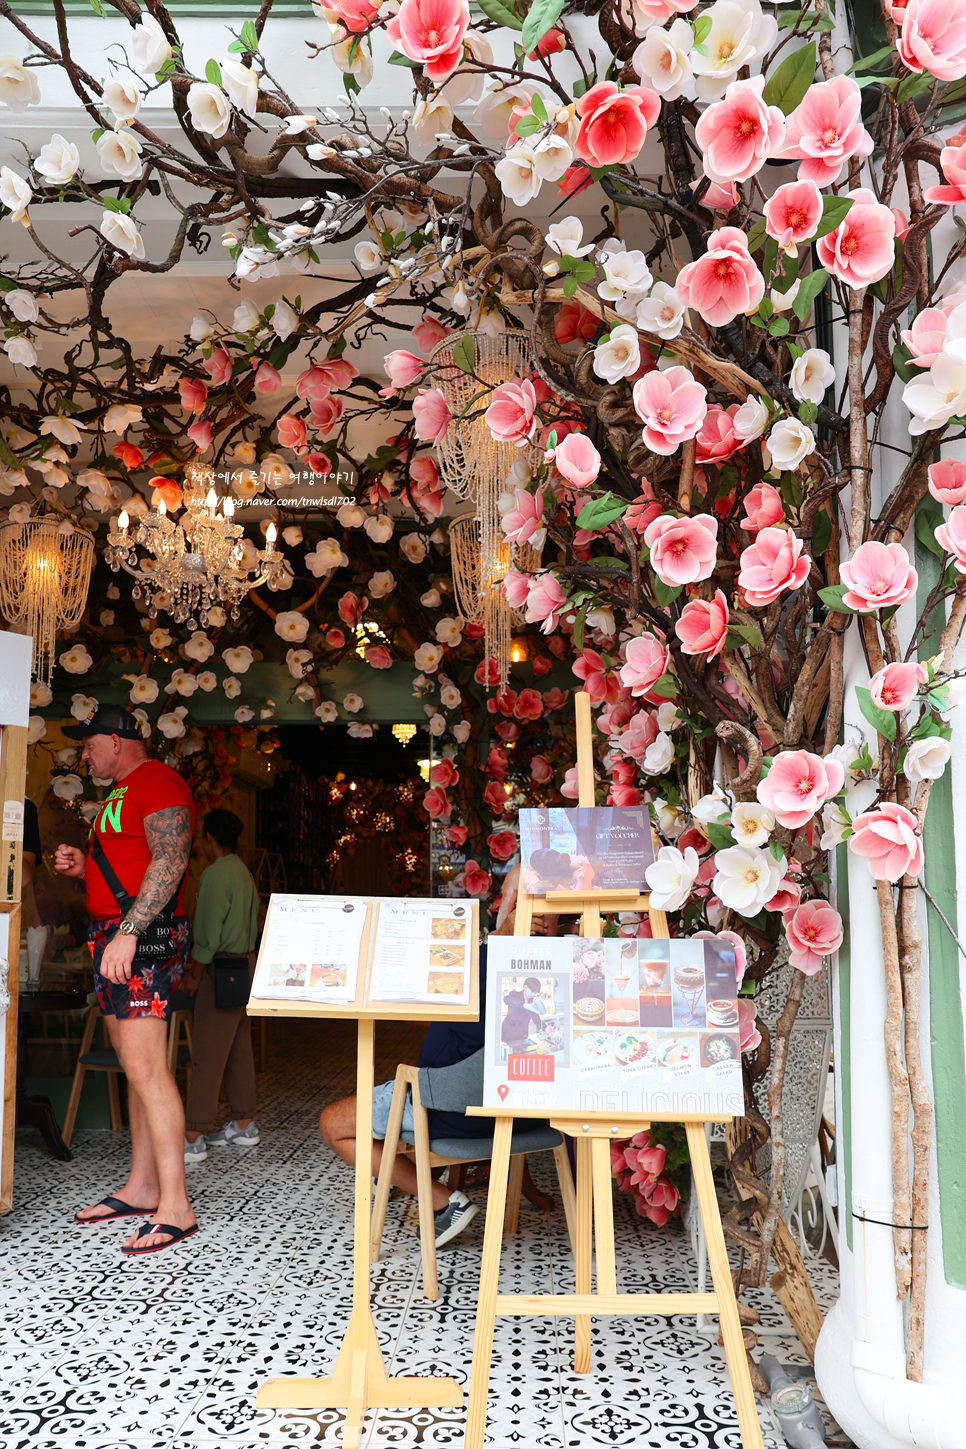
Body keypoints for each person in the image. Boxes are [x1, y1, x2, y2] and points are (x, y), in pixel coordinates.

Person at [318, 870, 558, 1248]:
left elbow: (414, 992)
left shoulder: (479, 962)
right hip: (529, 1114)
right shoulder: (574, 965)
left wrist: (494, 939)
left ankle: (443, 1202)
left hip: (449, 1112)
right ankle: (409, 1175)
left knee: (334, 1123)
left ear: (510, 906)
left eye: (505, 899)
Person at [54, 703, 197, 1255]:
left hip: (142, 938)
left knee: (145, 1068)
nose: (83, 753)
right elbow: (130, 863)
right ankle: (141, 1187)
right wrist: (81, 867)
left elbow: (170, 859)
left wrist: (132, 930)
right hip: (116, 935)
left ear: (117, 740)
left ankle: (176, 1205)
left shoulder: (157, 780)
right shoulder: (117, 795)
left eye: (88, 743)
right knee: (135, 1068)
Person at [182, 810, 260, 1162]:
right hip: (244, 967)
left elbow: (208, 934)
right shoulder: (244, 872)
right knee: (239, 1051)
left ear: (209, 838)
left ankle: (192, 1135)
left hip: (220, 969)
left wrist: (195, 973)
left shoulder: (214, 875)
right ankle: (244, 1124)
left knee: (208, 1057)